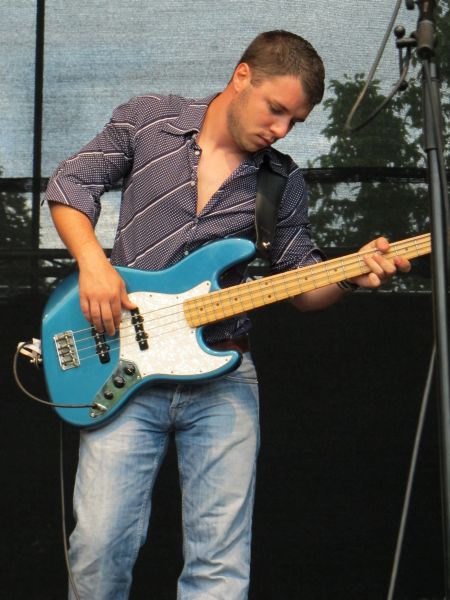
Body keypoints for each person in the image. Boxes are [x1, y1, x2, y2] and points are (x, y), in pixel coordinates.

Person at [46, 30, 411, 600]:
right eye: (276, 109)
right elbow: (72, 182)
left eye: (295, 122)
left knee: (219, 567)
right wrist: (93, 263)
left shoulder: (282, 181)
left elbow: (302, 284)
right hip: (122, 365)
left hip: (224, 379)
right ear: (242, 77)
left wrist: (348, 274)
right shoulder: (150, 120)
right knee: (97, 549)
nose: (281, 130)